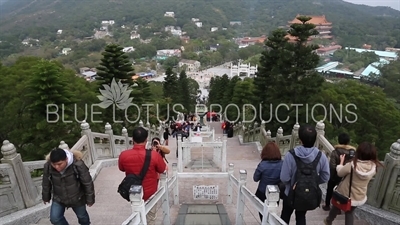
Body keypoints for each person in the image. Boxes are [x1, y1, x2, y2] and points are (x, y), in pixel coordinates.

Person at [280, 124, 330, 225]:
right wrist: (313, 181)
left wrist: (293, 184)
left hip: (290, 192)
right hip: (308, 193)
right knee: (301, 216)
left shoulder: (290, 155)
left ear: (300, 139)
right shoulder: (321, 156)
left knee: (285, 216)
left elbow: (284, 178)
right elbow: (326, 177)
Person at [324, 142, 382, 225]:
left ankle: (329, 221)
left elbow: (340, 173)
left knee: (336, 207)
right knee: (349, 213)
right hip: (358, 195)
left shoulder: (352, 165)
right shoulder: (374, 167)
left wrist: (341, 163)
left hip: (344, 193)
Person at [119, 127, 166, 225]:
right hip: (150, 193)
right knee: (150, 217)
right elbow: (162, 169)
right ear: (146, 139)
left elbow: (122, 168)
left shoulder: (124, 155)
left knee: (137, 215)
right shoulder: (154, 155)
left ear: (132, 139)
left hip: (134, 192)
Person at [42, 148, 95, 225]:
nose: (57, 167)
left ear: (66, 159)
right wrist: (46, 197)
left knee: (82, 217)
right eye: (54, 164)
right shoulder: (48, 166)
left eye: (60, 164)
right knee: (55, 219)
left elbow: (87, 183)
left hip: (77, 197)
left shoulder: (78, 165)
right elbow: (46, 182)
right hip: (59, 198)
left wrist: (90, 199)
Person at [323, 133, 356, 211]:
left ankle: (327, 205)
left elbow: (332, 166)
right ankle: (339, 208)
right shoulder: (352, 152)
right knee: (342, 193)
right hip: (346, 177)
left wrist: (332, 176)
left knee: (330, 190)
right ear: (348, 141)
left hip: (335, 176)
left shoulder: (335, 152)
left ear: (339, 141)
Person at [253, 142, 283, 222]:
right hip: (276, 192)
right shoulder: (282, 164)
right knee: (273, 212)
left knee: (262, 211)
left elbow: (255, 178)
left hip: (262, 192)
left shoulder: (263, 165)